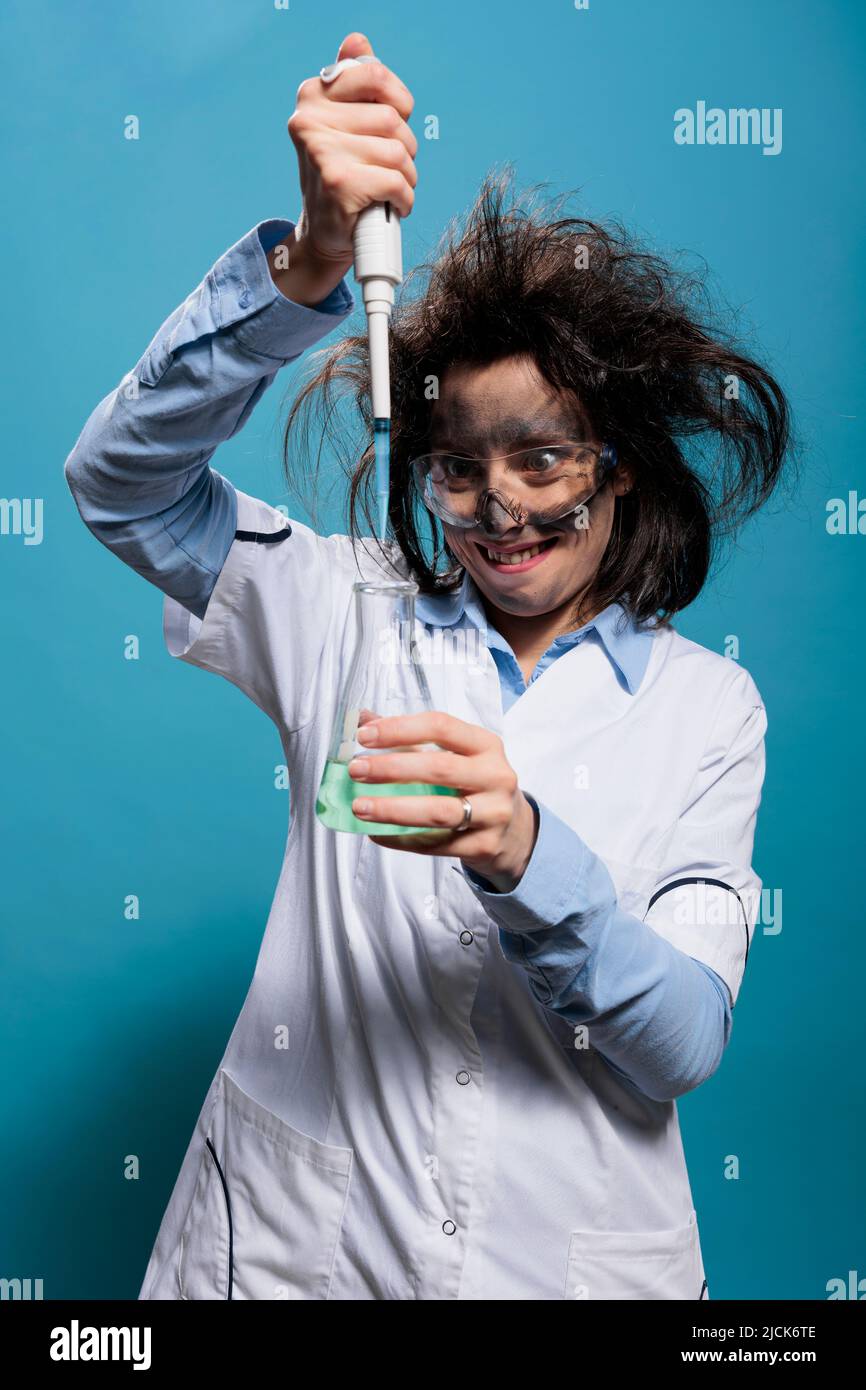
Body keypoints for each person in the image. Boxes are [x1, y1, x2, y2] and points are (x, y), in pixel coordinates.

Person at [64, 31, 791, 1301]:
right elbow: (120, 486)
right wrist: (309, 266)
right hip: (299, 1257)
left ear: (619, 466)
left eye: (543, 459)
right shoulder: (341, 609)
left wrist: (523, 853)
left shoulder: (706, 707)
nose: (498, 507)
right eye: (457, 465)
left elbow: (677, 1041)